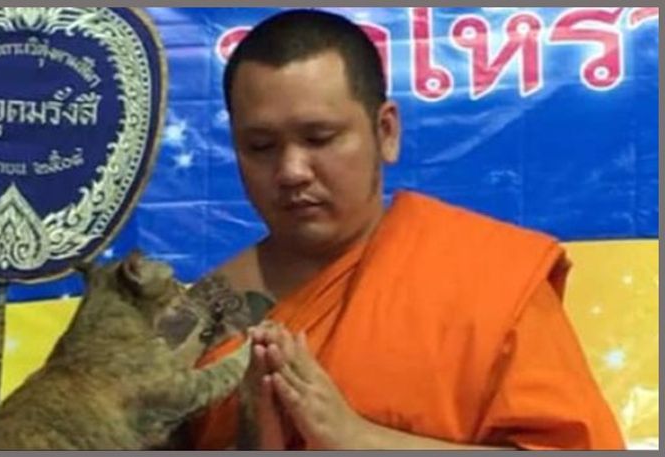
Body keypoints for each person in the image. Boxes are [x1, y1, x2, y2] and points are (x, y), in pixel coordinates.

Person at [188, 9, 624, 450]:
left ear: (386, 132)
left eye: (319, 138)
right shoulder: (201, 316)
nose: (291, 171)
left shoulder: (489, 279)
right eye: (260, 146)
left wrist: (359, 439)